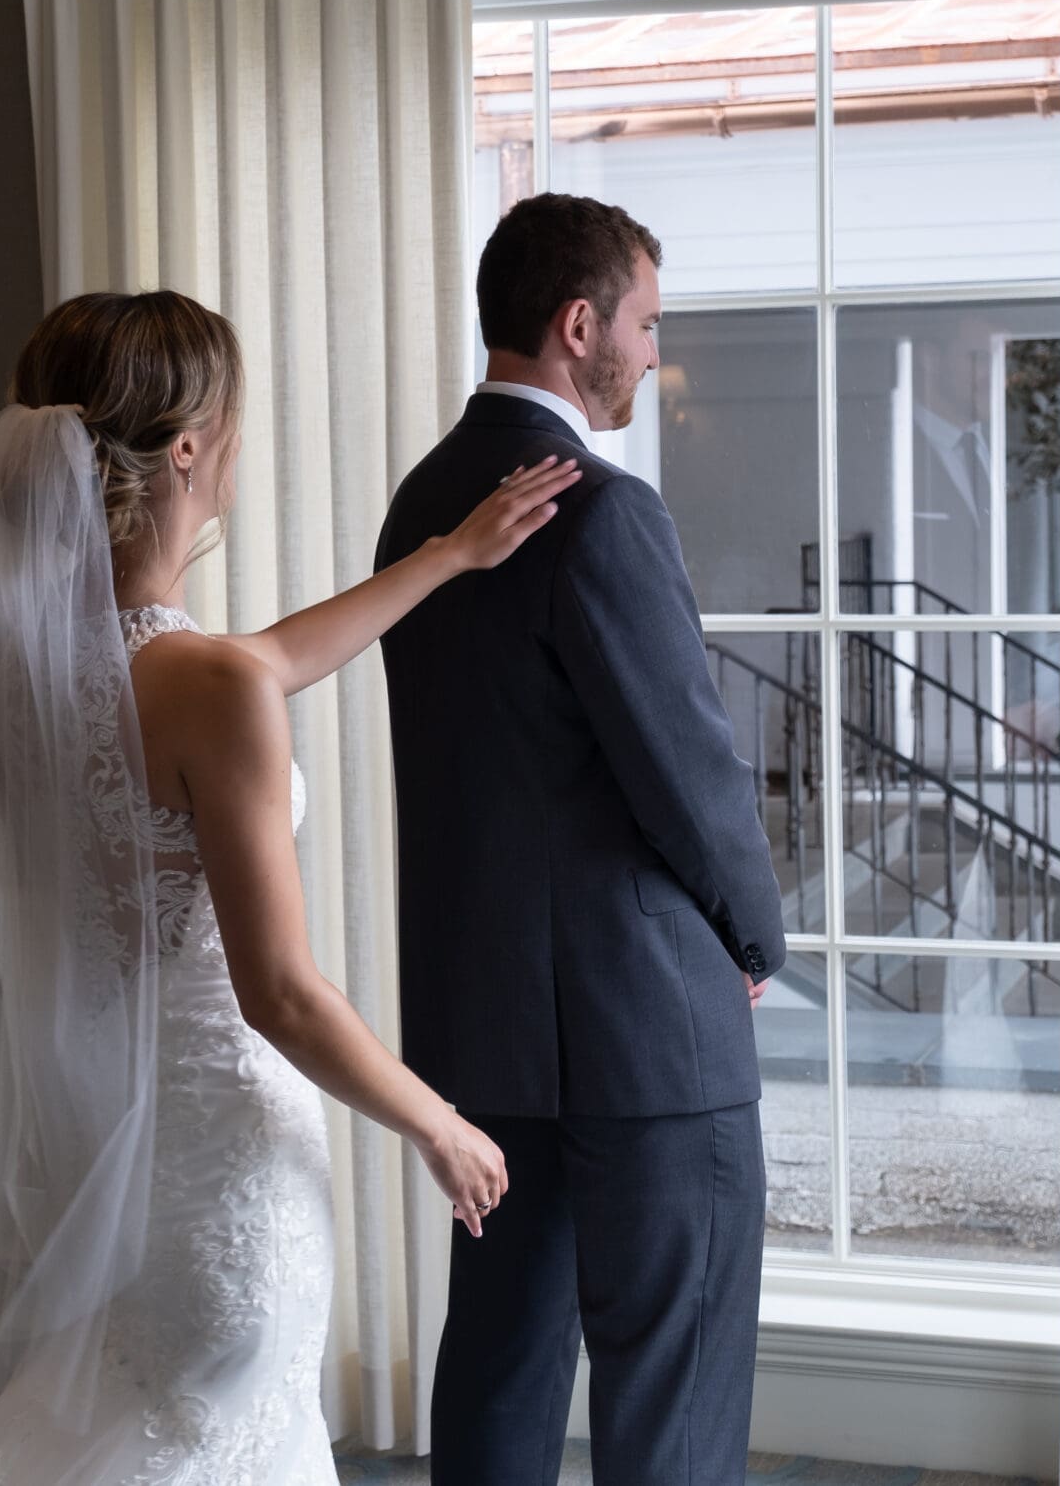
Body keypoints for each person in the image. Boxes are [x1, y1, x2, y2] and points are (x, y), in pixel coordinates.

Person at [0, 289, 581, 1486]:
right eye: (228, 421)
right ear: (185, 450)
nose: (235, 445)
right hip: (229, 1165)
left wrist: (446, 557)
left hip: (118, 1162)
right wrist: (436, 1124)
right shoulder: (204, 684)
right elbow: (277, 989)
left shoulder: (34, 676)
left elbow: (261, 663)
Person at [375, 193, 787, 1485]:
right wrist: (757, 931)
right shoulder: (601, 508)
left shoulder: (421, 505)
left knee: (498, 1365)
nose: (654, 352)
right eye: (646, 322)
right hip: (645, 1023)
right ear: (577, 322)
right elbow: (688, 767)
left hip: (484, 1024)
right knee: (672, 1381)